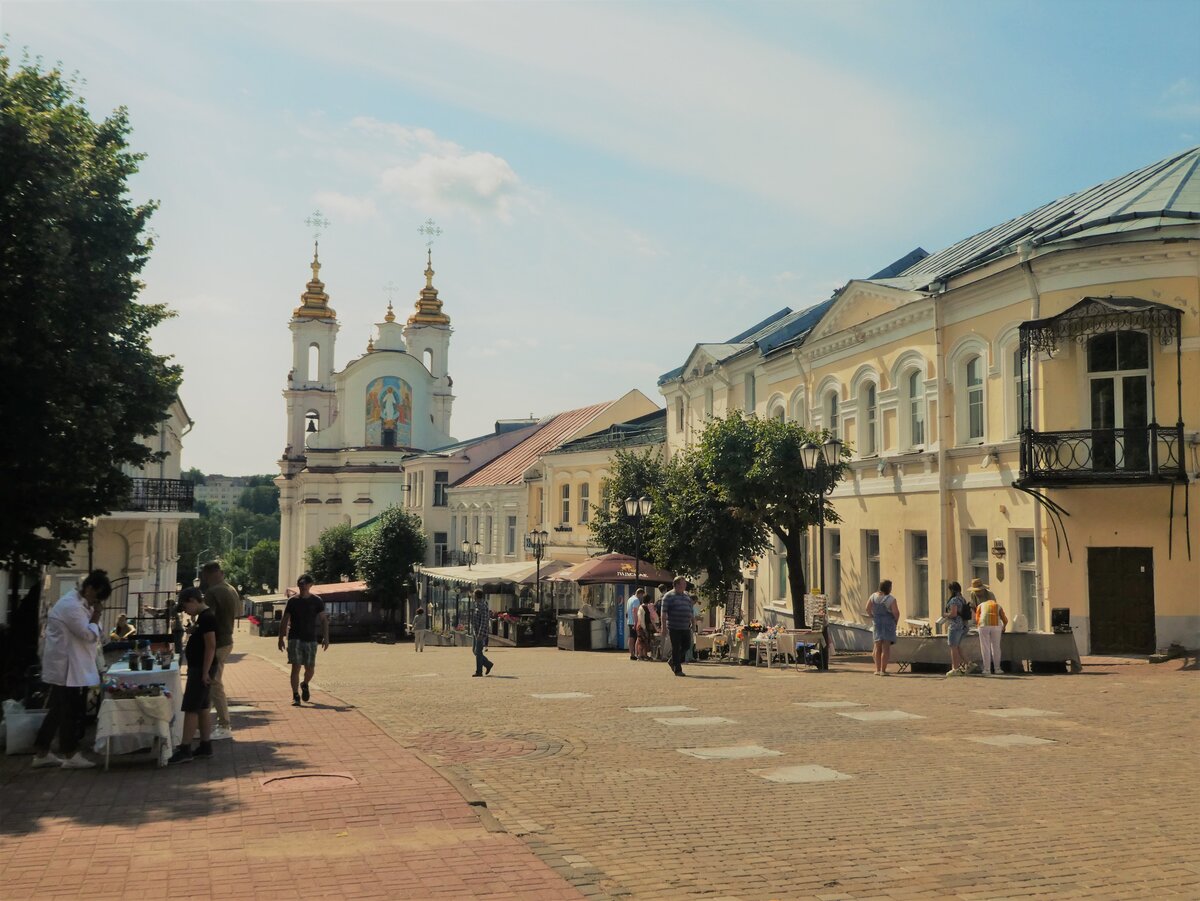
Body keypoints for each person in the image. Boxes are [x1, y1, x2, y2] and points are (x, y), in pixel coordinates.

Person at [32, 570, 111, 769]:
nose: (97, 601)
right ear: (89, 588)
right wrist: (97, 613)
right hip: (66, 667)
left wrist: (95, 616)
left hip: (73, 665)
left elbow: (98, 632)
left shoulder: (82, 604)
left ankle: (42, 751)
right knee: (67, 710)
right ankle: (69, 752)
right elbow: (87, 634)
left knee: (59, 709)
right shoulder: (70, 606)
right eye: (97, 596)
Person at [169, 587, 216, 764]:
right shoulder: (203, 618)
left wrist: (205, 672)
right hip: (201, 667)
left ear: (193, 601)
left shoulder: (207, 618)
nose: (186, 611)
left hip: (201, 669)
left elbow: (211, 645)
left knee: (191, 707)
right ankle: (205, 744)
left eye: (185, 606)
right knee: (203, 707)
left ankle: (185, 748)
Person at [201, 561, 239, 740]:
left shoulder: (213, 592)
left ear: (209, 575)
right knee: (211, 683)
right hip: (227, 639)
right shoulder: (230, 589)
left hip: (217, 641)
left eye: (205, 577)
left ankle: (224, 724)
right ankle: (205, 723)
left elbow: (208, 617)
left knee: (214, 683)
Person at [278, 574, 330, 705]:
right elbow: (284, 620)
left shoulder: (317, 601)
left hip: (311, 638)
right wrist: (281, 638)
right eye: (300, 583)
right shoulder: (292, 601)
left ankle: (305, 684)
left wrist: (326, 637)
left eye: (305, 583)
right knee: (296, 667)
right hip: (295, 638)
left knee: (310, 668)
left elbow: (323, 620)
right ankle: (295, 695)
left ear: (311, 585)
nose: (303, 586)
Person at [661, 577, 695, 676]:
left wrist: (693, 621)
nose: (685, 585)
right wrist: (663, 627)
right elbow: (663, 613)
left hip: (685, 626)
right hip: (674, 626)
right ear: (676, 585)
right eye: (683, 584)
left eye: (685, 584)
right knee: (676, 647)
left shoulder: (686, 596)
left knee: (686, 646)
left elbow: (690, 610)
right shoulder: (668, 596)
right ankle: (678, 669)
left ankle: (672, 660)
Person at [864, 580, 899, 676]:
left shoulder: (873, 596)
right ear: (888, 588)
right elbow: (896, 613)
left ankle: (877, 669)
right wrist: (895, 621)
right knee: (885, 647)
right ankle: (883, 670)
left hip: (877, 623)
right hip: (888, 623)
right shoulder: (891, 599)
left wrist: (873, 616)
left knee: (877, 646)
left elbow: (867, 608)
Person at [975, 592, 1009, 676]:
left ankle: (987, 669)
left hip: (983, 625)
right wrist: (1004, 626)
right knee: (996, 647)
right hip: (996, 625)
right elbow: (1005, 619)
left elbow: (977, 618)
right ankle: (997, 668)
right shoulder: (998, 605)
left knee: (985, 647)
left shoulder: (980, 605)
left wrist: (979, 625)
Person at [944, 581, 971, 676]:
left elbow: (953, 614)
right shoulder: (962, 599)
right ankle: (969, 663)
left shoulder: (954, 600)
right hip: (964, 625)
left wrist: (945, 615)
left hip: (955, 626)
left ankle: (955, 668)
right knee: (958, 646)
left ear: (952, 590)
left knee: (953, 647)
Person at [469, 589, 493, 677]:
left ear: (476, 596)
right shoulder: (476, 604)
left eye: (473, 594)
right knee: (475, 651)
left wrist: (480, 634)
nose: (472, 596)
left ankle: (479, 671)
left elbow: (484, 620)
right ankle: (488, 664)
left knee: (478, 652)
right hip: (476, 631)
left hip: (480, 632)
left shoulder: (483, 605)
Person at [635, 594, 656, 661]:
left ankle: (644, 655)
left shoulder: (644, 607)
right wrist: (644, 629)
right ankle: (641, 655)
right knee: (642, 641)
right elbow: (641, 619)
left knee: (645, 641)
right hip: (642, 627)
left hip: (643, 626)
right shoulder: (642, 608)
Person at [626, 588, 644, 660]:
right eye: (642, 595)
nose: (642, 597)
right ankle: (636, 653)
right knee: (636, 638)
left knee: (631, 637)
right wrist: (635, 622)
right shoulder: (636, 600)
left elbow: (628, 611)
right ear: (640, 593)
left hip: (629, 621)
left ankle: (632, 653)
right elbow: (635, 611)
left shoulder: (630, 599)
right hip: (634, 621)